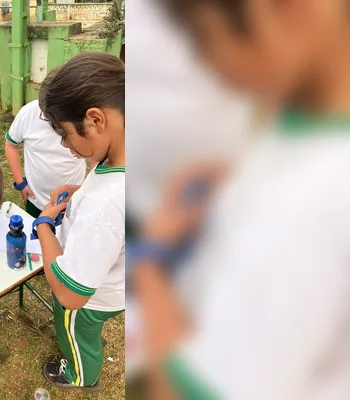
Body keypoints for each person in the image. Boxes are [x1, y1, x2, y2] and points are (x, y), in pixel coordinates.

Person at [132, 0, 350, 398]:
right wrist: (251, 179)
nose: (206, 65)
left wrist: (150, 260)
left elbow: (180, 392)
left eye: (203, 38)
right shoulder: (305, 118)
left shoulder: (309, 207)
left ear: (289, 9)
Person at [33, 52, 126, 391]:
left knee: (72, 327)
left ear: (95, 120)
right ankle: (88, 345)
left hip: (91, 298)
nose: (64, 145)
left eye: (64, 133)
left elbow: (70, 295)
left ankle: (80, 375)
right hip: (115, 283)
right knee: (87, 331)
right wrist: (81, 190)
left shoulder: (105, 207)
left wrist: (43, 225)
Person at [4, 68, 87, 219]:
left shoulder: (82, 122)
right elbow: (11, 145)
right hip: (36, 199)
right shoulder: (29, 113)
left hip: (71, 199)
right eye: (42, 112)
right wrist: (20, 183)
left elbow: (95, 161)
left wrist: (85, 191)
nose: (43, 117)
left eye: (50, 116)